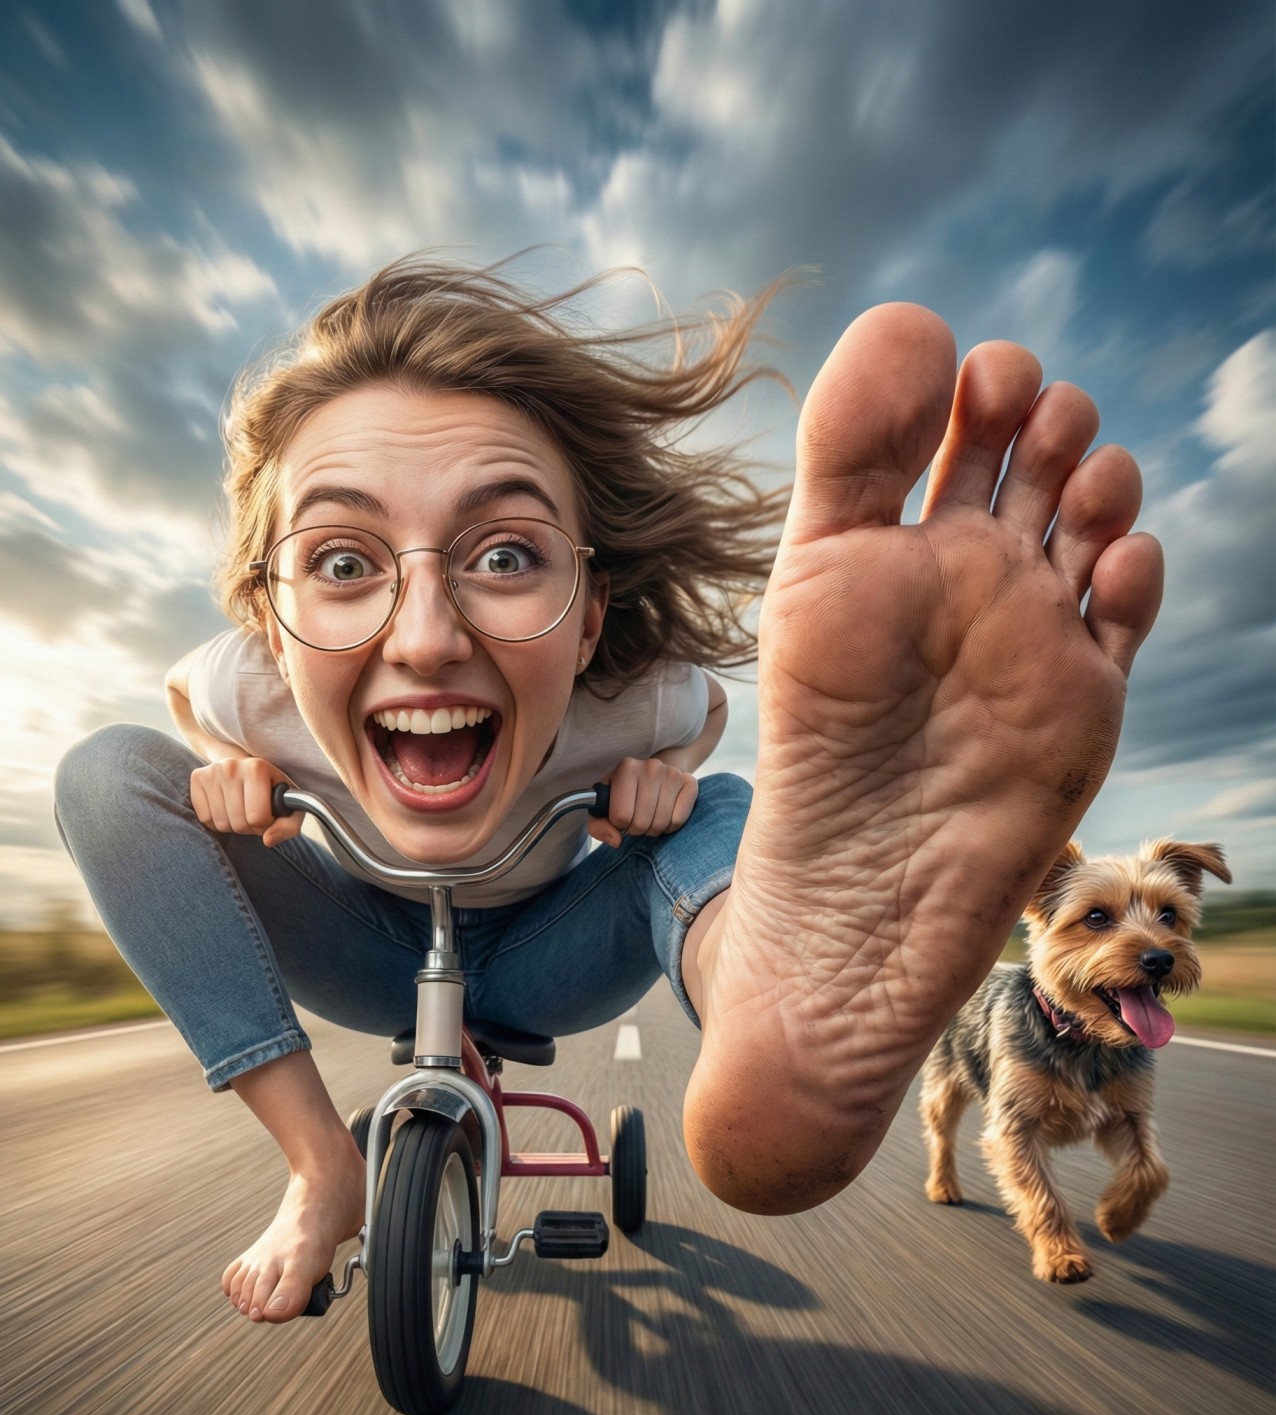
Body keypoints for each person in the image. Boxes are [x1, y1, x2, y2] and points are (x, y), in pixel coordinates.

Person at [54, 254, 1163, 1325]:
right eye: (343, 563)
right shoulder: (244, 685)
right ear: (266, 617)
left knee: (719, 803)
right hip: (366, 942)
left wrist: (659, 781)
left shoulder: (641, 696)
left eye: (505, 557)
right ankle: (318, 1163)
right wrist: (231, 773)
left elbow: (702, 719)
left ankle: (756, 992)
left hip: (554, 952)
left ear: (589, 620)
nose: (428, 640)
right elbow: (189, 704)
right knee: (109, 775)